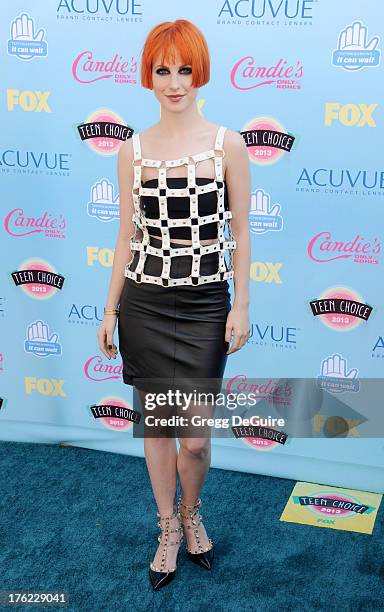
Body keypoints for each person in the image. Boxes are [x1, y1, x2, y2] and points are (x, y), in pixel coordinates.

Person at [97, 19, 251, 591]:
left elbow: (242, 233)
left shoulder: (227, 144)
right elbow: (125, 236)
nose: (174, 82)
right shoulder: (133, 150)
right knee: (157, 429)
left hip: (208, 303)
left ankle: (193, 510)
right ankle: (167, 524)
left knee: (196, 438)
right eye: (163, 70)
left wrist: (242, 305)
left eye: (184, 69)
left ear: (199, 72)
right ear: (149, 76)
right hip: (145, 304)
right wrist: (110, 310)